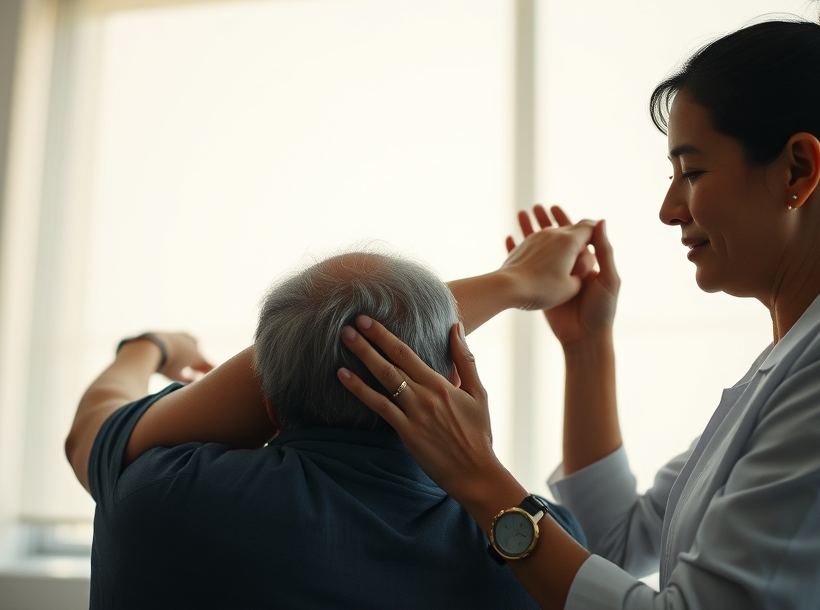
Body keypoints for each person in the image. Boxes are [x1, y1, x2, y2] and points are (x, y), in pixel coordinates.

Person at [333, 0, 820, 609]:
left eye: (693, 172)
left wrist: (480, 478)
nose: (668, 209)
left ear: (797, 169)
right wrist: (587, 348)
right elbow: (615, 543)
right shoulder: (809, 361)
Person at [63, 250, 589, 609]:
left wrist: (149, 347)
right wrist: (562, 322)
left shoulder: (158, 499)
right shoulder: (543, 552)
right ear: (454, 382)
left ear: (266, 404)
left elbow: (91, 429)